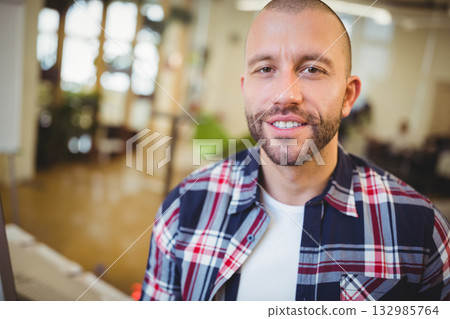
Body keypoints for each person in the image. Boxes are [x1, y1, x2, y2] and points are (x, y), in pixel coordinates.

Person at [140, 0, 450, 301]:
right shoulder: (184, 209)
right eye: (265, 69)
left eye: (312, 69)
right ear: (245, 89)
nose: (285, 95)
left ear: (348, 96)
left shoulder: (420, 232)